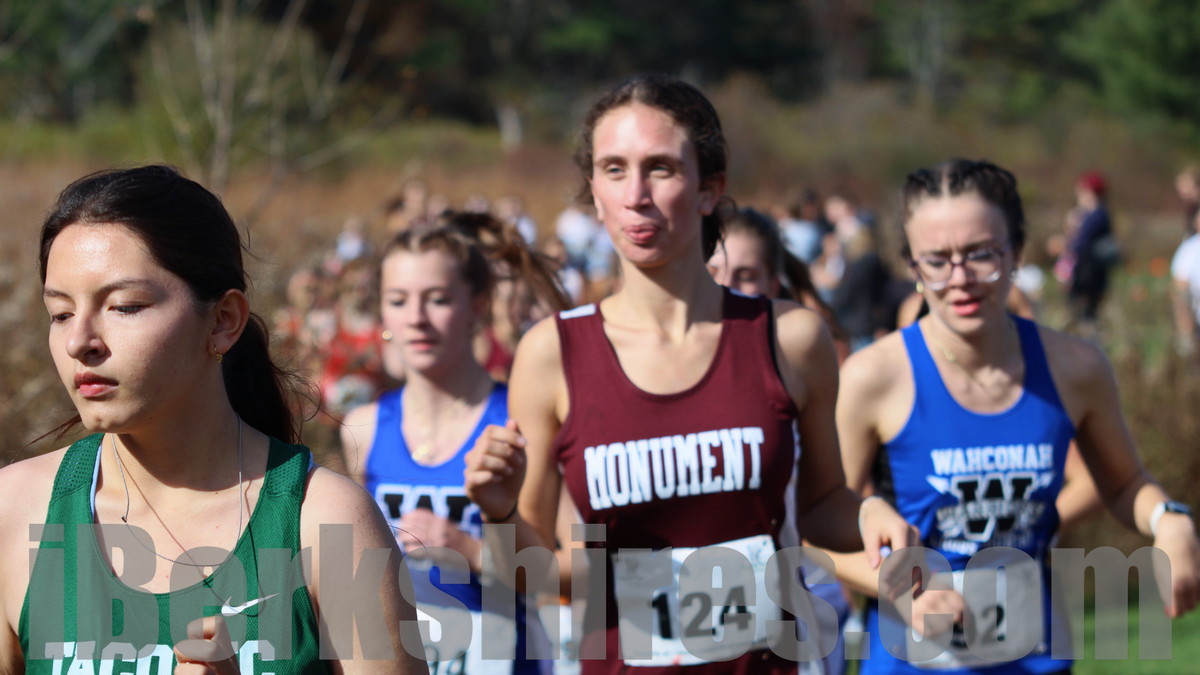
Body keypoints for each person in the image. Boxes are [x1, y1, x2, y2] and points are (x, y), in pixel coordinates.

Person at [463, 74, 916, 674]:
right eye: (614, 170)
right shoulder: (552, 354)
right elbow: (535, 572)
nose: (636, 194)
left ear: (709, 190)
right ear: (594, 195)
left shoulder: (790, 339)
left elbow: (821, 505)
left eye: (661, 168)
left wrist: (866, 514)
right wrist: (499, 515)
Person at [0, 165, 427, 675]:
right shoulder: (15, 511)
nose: (79, 342)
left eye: (124, 306)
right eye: (61, 313)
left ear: (223, 321)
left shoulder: (327, 523)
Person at [830, 158, 1199, 674]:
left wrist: (1169, 520)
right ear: (912, 267)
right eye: (936, 260)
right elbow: (820, 529)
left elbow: (1123, 484)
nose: (960, 278)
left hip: (1034, 657)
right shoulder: (873, 376)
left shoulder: (1075, 366)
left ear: (1017, 252)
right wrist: (902, 586)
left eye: (980, 253)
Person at [340, 225, 552, 674]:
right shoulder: (363, 427)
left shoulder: (517, 419)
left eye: (437, 299)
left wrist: (468, 550)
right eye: (398, 300)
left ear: (477, 306)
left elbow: (560, 573)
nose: (416, 318)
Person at [1066, 170, 1119, 333]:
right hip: (1085, 271)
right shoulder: (1088, 214)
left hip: (1090, 273)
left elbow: (1082, 243)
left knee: (1087, 315)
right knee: (1082, 314)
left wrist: (1065, 243)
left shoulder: (1098, 215)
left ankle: (1089, 341)